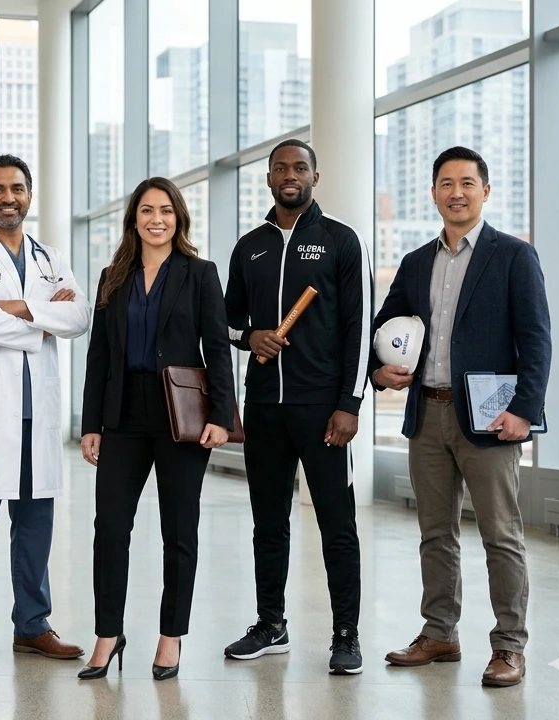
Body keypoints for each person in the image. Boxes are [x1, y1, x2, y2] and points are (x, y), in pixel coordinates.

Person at [370, 146, 549, 688]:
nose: (457, 192)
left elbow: (536, 339)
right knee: (435, 534)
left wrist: (524, 411)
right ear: (433, 193)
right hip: (427, 413)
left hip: (491, 419)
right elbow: (384, 327)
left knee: (501, 535)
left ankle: (509, 646)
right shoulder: (415, 262)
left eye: (467, 183)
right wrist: (380, 370)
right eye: (446, 183)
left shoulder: (514, 256)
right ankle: (440, 633)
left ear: (485, 191)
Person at [0, 155, 93, 677]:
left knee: (35, 529)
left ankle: (32, 625)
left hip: (37, 412)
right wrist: (45, 314)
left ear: (29, 195)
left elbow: (80, 316)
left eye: (18, 188)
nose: (9, 197)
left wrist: (20, 307)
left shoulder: (49, 256)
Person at [223, 139, 371, 675]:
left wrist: (350, 403)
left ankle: (346, 633)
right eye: (281, 168)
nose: (290, 175)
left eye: (300, 167)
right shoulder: (250, 247)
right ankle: (271, 624)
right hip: (265, 407)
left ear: (315, 177)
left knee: (337, 524)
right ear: (268, 179)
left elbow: (359, 328)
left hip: (323, 410)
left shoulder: (341, 240)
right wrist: (251, 337)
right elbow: (224, 323)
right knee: (268, 523)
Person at [78, 177, 235, 681]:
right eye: (147, 210)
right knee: (110, 528)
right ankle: (108, 634)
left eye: (165, 210)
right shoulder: (113, 277)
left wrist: (223, 417)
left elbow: (217, 349)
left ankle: (171, 636)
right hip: (123, 415)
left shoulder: (200, 274)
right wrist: (91, 423)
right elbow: (99, 356)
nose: (156, 219)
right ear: (134, 219)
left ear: (178, 218)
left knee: (179, 531)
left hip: (180, 415)